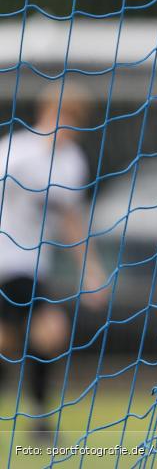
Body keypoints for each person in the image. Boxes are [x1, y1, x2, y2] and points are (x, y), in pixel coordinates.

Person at [0, 83, 106, 434]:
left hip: (33, 265)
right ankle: (40, 420)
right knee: (35, 335)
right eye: (63, 116)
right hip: (4, 261)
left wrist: (91, 271)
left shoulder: (72, 163)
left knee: (35, 337)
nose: (68, 127)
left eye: (75, 121)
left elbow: (70, 221)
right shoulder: (15, 151)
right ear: (46, 112)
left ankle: (40, 419)